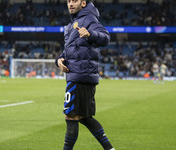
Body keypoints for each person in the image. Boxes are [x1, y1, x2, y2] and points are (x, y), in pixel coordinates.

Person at [55, 0, 115, 149]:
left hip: (80, 75)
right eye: (68, 1)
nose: (70, 4)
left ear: (83, 3)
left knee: (70, 116)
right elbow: (70, 50)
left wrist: (90, 33)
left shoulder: (89, 19)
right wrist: (59, 60)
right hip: (80, 74)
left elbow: (105, 37)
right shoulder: (71, 25)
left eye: (74, 0)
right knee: (84, 117)